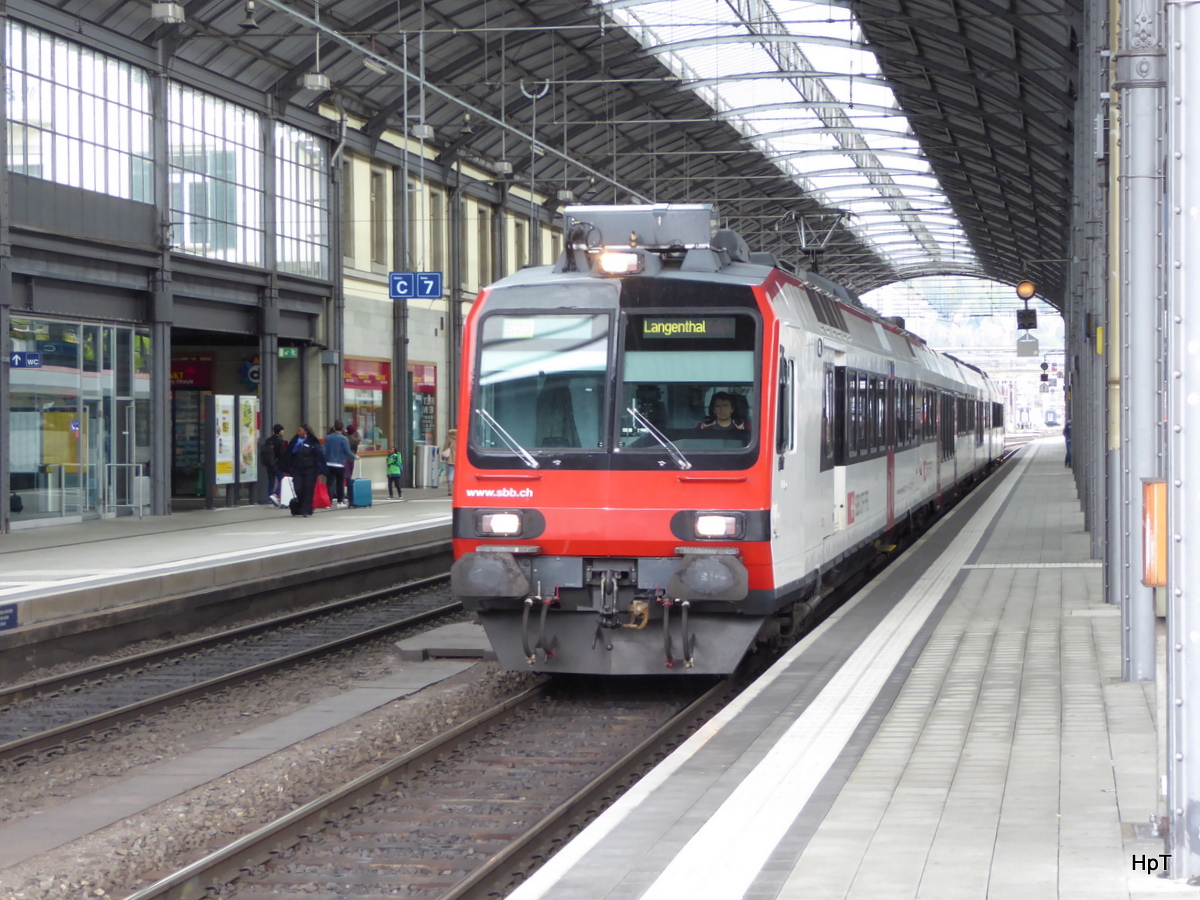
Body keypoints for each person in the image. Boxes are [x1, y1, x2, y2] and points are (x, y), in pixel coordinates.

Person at [286, 424, 325, 517]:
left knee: (308, 488)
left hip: (310, 469)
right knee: (298, 488)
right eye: (298, 430)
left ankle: (306, 509)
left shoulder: (312, 442)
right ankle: (301, 505)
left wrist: (320, 470)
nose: (298, 432)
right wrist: (289, 468)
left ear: (305, 431)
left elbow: (319, 455)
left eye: (300, 430)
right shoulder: (295, 442)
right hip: (297, 469)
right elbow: (289, 455)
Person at [323, 420, 356, 508]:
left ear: (334, 427)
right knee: (339, 482)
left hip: (329, 463)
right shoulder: (344, 439)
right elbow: (347, 451)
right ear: (342, 428)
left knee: (329, 482)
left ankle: (328, 501)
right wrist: (355, 456)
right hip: (339, 464)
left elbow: (324, 450)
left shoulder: (328, 437)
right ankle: (340, 501)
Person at [261, 423, 288, 504]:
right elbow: (282, 454)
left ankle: (270, 498)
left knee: (271, 482)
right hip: (278, 464)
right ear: (280, 431)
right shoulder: (280, 441)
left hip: (269, 464)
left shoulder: (269, 440)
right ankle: (275, 494)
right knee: (283, 481)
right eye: (282, 430)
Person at [439, 428, 457, 494]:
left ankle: (450, 489)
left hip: (451, 457)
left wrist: (443, 457)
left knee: (451, 473)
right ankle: (456, 489)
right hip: (459, 458)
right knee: (457, 474)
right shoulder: (460, 436)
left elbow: (446, 446)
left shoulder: (450, 437)